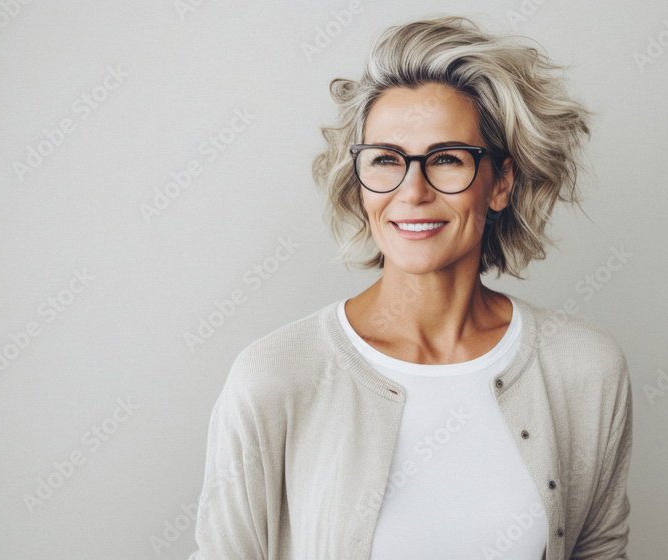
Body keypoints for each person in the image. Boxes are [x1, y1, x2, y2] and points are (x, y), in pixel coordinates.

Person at [189, 16, 632, 560]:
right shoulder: (277, 377)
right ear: (360, 185)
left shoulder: (585, 369)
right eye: (387, 161)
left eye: (446, 159)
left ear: (501, 183)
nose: (412, 191)